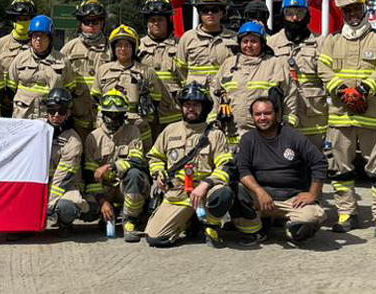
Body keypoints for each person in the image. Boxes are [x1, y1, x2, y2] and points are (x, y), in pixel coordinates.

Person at [318, 0, 376, 237]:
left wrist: (362, 91)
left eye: (356, 8)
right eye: (347, 10)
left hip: (374, 117)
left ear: (365, 9)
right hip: (340, 117)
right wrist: (344, 92)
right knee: (339, 168)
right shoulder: (331, 41)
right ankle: (346, 213)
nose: (352, 14)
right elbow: (323, 68)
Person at [143, 83, 244, 248]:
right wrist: (158, 172)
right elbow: (155, 157)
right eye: (187, 104)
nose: (191, 108)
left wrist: (207, 184)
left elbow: (226, 166)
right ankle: (189, 221)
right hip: (178, 195)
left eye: (196, 104)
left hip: (204, 193)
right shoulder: (170, 130)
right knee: (156, 239)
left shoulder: (215, 134)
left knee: (223, 194)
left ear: (204, 107)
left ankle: (210, 225)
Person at [236, 96, 328, 244]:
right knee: (235, 190)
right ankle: (255, 229)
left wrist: (312, 194)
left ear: (277, 114)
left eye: (267, 113)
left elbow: (319, 162)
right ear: (252, 117)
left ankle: (289, 227)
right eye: (258, 114)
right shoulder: (248, 139)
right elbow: (243, 170)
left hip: (291, 199)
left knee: (309, 220)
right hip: (260, 197)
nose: (263, 118)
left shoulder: (293, 136)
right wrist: (260, 192)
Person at [206, 22, 298, 146]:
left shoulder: (275, 64)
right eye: (245, 41)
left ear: (262, 43)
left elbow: (290, 94)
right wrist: (213, 118)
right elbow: (215, 92)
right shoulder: (229, 64)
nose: (248, 45)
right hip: (232, 136)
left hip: (266, 136)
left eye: (253, 41)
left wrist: (288, 122)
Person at [94, 24, 179, 149]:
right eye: (119, 45)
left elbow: (155, 99)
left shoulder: (146, 72)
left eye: (127, 45)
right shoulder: (103, 70)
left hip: (139, 127)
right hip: (108, 126)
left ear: (134, 47)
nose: (123, 49)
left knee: (140, 158)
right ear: (113, 48)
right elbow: (96, 97)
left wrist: (143, 118)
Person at [84, 90, 150, 242]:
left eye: (117, 114)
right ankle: (105, 214)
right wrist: (103, 202)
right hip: (103, 189)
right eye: (109, 114)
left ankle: (129, 221)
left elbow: (137, 160)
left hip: (124, 187)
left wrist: (111, 166)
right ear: (103, 113)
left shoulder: (133, 131)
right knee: (88, 210)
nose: (113, 118)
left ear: (124, 114)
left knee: (135, 174)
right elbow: (89, 175)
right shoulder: (93, 137)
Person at [268, 0, 328, 147]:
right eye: (289, 13)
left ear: (308, 15)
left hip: (313, 117)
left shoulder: (322, 43)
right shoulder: (270, 44)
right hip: (282, 114)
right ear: (282, 15)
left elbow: (329, 80)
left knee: (315, 157)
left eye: (300, 13)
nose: (294, 18)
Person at [41, 88, 95, 236]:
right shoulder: (36, 130)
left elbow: (61, 180)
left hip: (64, 186)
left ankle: (65, 223)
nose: (56, 115)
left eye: (61, 111)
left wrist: (46, 206)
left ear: (68, 113)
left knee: (66, 207)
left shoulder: (73, 142)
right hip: (41, 184)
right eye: (52, 110)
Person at [7, 15, 80, 120]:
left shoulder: (62, 61)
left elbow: (70, 89)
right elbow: (10, 87)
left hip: (50, 117)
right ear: (30, 37)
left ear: (50, 38)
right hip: (23, 116)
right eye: (35, 36)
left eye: (43, 36)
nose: (38, 40)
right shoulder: (20, 59)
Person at [60, 0, 108, 137]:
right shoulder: (69, 48)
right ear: (81, 24)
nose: (91, 26)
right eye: (87, 22)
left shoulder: (112, 49)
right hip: (77, 119)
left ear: (102, 23)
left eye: (95, 22)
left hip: (105, 118)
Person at [176, 0, 237, 87]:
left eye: (214, 10)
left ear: (222, 13)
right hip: (196, 94)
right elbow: (180, 68)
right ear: (199, 13)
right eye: (205, 10)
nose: (210, 13)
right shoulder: (188, 38)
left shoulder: (234, 38)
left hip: (224, 93)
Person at [0, 0, 38, 114]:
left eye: (26, 18)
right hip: (2, 106)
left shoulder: (39, 46)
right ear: (13, 20)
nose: (22, 22)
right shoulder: (0, 45)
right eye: (19, 18)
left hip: (28, 108)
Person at [138, 0, 182, 97]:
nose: (156, 24)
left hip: (174, 104)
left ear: (169, 21)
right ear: (147, 23)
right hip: (147, 103)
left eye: (160, 20)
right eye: (152, 20)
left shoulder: (181, 45)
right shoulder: (138, 46)